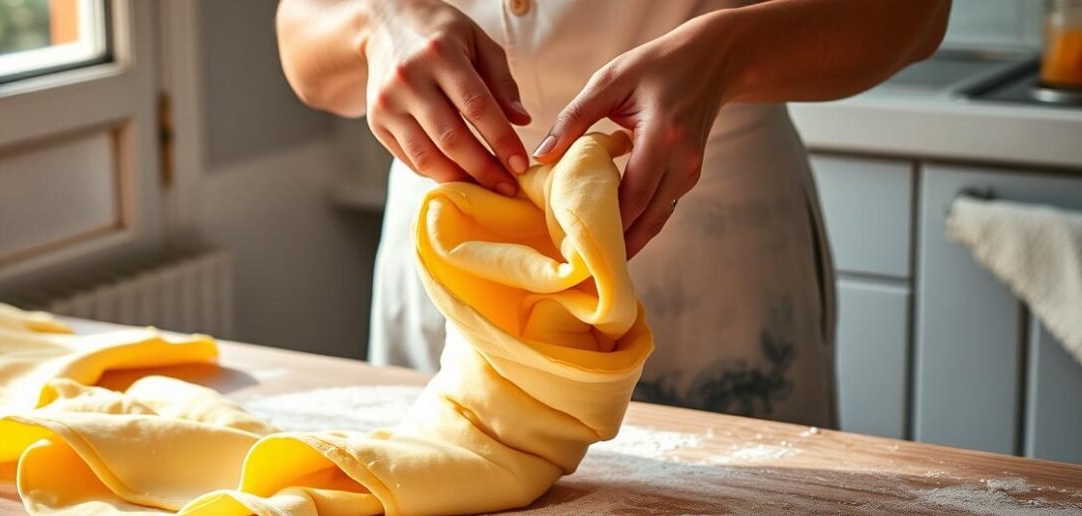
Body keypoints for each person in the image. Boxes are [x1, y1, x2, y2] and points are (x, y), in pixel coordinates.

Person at [276, 0, 950, 428]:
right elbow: (300, 37)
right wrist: (374, 24)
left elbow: (914, 17)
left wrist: (727, 52)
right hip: (457, 260)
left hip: (715, 251)